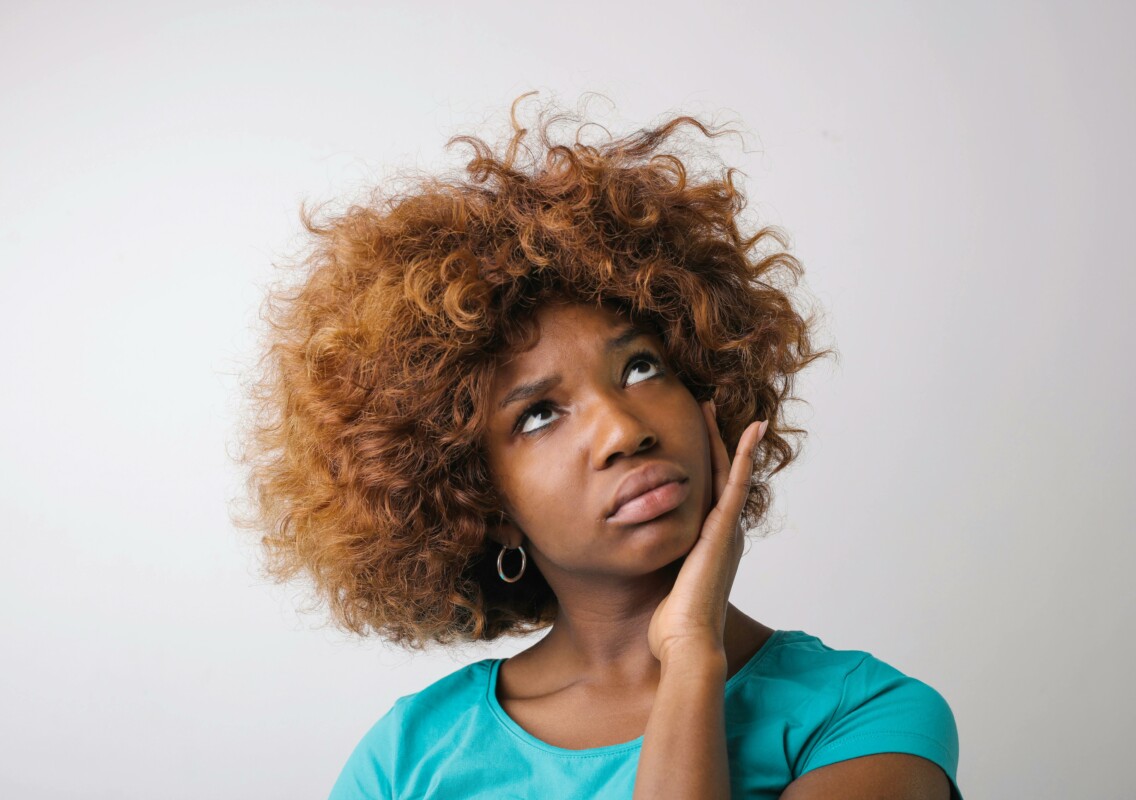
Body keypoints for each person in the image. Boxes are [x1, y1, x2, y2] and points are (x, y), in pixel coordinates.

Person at [236, 96, 962, 799]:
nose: (623, 429)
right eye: (540, 414)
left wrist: (690, 656)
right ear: (481, 502)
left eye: (642, 367)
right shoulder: (408, 758)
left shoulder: (863, 718)